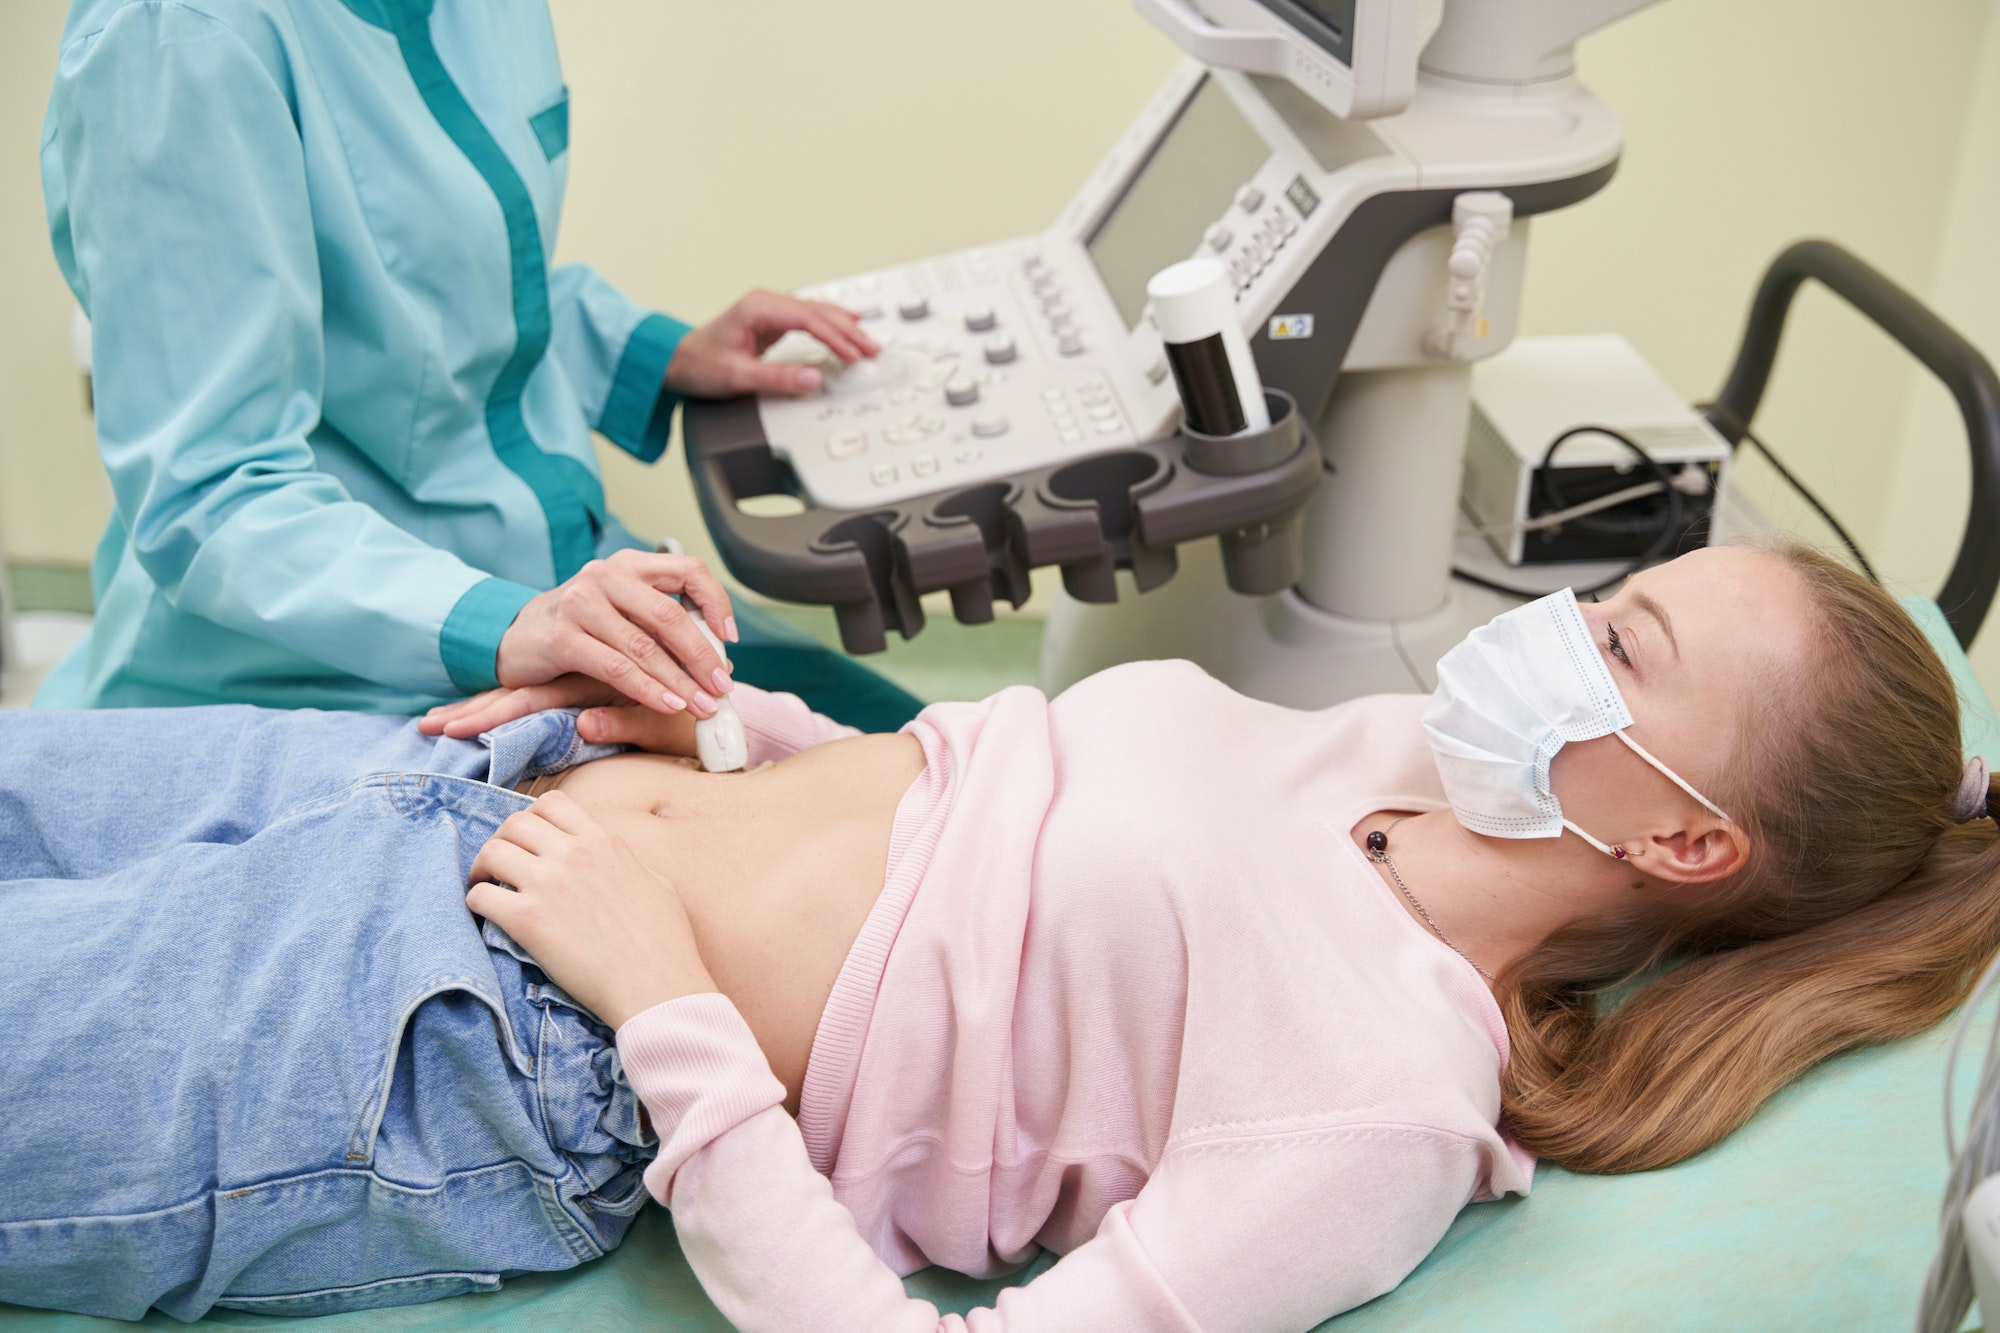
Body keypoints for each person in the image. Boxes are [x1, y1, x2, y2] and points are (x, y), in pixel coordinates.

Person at [4, 543, 1996, 1327]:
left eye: (1624, 638)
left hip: (453, 1034)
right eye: (1618, 582)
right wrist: (729, 732)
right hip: (448, 782)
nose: (1561, 617)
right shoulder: (1386, 749)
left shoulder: (1387, 1105)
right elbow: (975, 797)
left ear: (1686, 836)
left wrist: (666, 995)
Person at [35, 0, 916, 731]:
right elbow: (210, 491)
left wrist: (661, 352)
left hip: (561, 583)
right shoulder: (178, 38)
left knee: (942, 769)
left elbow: (451, 291)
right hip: (326, 675)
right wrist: (505, 622)